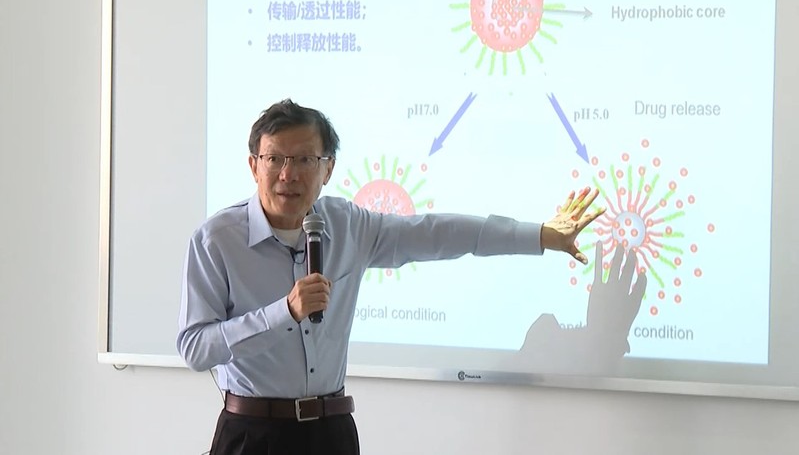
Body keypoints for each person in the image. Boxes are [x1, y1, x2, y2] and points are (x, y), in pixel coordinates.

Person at [177, 98, 615, 455]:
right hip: (253, 434)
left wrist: (539, 235)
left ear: (327, 169)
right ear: (254, 165)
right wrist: (284, 312)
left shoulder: (347, 225)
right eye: (275, 158)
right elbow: (196, 348)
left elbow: (436, 233)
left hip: (330, 433)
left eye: (304, 159)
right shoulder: (217, 240)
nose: (288, 174)